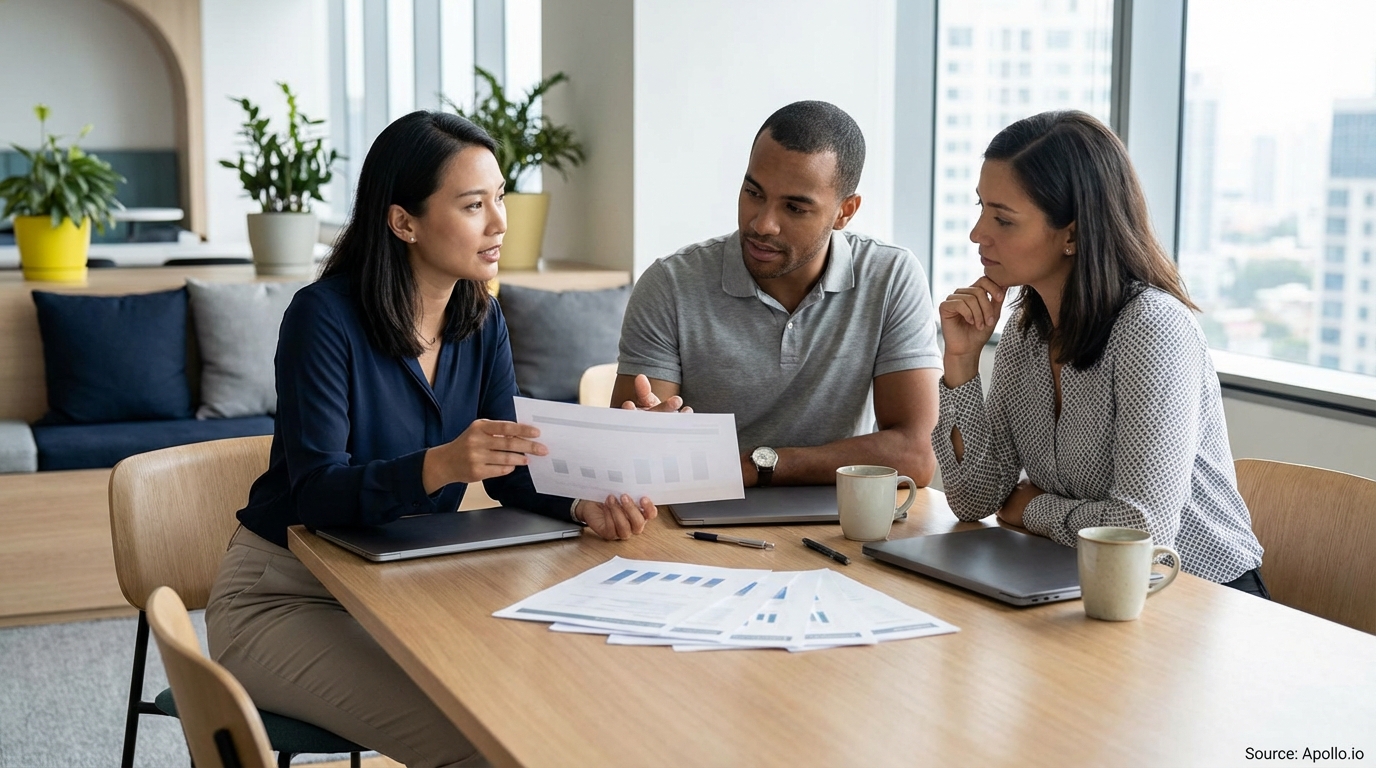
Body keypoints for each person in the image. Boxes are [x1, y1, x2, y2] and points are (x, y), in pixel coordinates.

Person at [205, 111, 658, 768]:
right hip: (287, 594)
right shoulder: (323, 318)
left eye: (499, 197)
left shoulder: (481, 316)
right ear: (403, 222)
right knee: (481, 744)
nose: (500, 221)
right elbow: (317, 495)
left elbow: (508, 472)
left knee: (555, 708)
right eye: (474, 205)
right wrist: (439, 465)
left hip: (405, 586)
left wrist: (585, 502)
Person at [933, 110, 1267, 596]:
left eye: (1003, 218)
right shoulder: (1027, 332)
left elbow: (1139, 534)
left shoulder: (1152, 328)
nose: (977, 233)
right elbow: (973, 497)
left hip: (1199, 596)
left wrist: (1030, 507)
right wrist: (961, 367)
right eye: (982, 207)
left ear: (1072, 233)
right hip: (1081, 581)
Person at [613, 100, 942, 488]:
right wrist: (645, 440)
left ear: (845, 211)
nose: (763, 224)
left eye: (794, 208)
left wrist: (757, 467)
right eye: (754, 193)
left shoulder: (891, 277)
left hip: (838, 519)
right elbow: (627, 457)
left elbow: (916, 456)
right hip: (703, 510)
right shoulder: (670, 285)